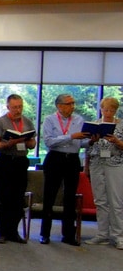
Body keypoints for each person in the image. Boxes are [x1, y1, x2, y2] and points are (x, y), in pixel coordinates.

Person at [40, 94, 90, 246]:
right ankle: (45, 233)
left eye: (73, 103)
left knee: (70, 197)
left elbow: (81, 143)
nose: (72, 106)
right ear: (59, 106)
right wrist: (70, 136)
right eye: (69, 104)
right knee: (50, 196)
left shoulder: (79, 120)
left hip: (72, 160)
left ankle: (68, 234)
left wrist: (90, 141)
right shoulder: (50, 120)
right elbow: (49, 141)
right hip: (55, 158)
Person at [0, 94, 36, 244]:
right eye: (15, 107)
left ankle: (13, 231)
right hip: (5, 161)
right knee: (4, 197)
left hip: (21, 162)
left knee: (18, 197)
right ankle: (2, 232)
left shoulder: (27, 122)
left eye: (20, 106)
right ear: (8, 107)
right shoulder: (0, 122)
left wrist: (27, 141)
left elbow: (33, 143)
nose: (18, 110)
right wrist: (8, 144)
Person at [86, 97, 123, 249]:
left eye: (111, 110)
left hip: (115, 163)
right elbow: (88, 147)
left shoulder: (121, 125)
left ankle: (118, 235)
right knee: (100, 200)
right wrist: (92, 141)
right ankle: (102, 234)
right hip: (96, 163)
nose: (107, 113)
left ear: (116, 110)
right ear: (101, 109)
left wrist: (117, 141)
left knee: (116, 200)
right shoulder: (95, 124)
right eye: (105, 109)